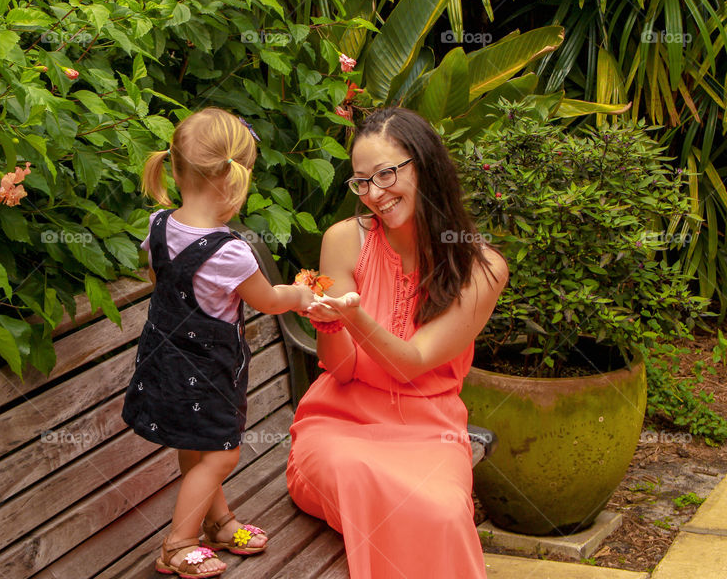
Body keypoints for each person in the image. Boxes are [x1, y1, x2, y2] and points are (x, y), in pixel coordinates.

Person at [286, 107, 509, 578]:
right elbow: (341, 370)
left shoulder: (482, 268)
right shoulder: (344, 240)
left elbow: (412, 363)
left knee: (445, 512)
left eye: (386, 174)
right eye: (361, 182)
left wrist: (354, 315)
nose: (375, 194)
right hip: (339, 430)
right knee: (360, 475)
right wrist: (329, 324)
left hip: (429, 432)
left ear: (424, 164)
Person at [122, 107, 315, 578]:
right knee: (223, 451)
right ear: (234, 180)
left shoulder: (158, 225)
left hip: (164, 361)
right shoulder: (230, 252)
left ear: (177, 166)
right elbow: (269, 301)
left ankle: (219, 523)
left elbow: (161, 279)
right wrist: (301, 294)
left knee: (199, 445)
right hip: (206, 371)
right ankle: (177, 544)